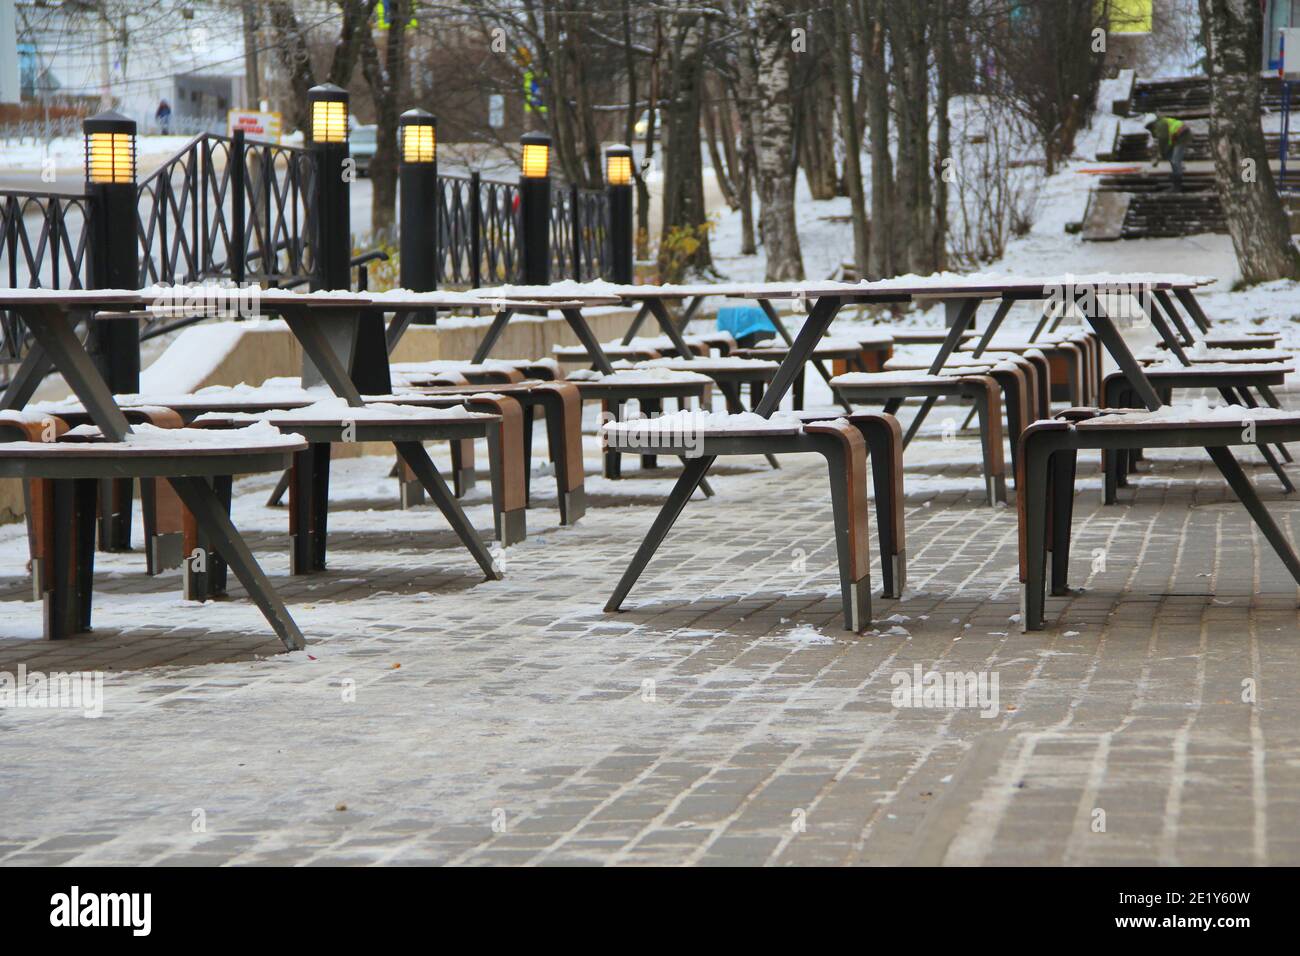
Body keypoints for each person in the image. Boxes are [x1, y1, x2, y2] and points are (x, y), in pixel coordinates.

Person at [1141, 112, 1191, 192]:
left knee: (1175, 161)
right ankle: (1177, 172)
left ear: (1152, 124)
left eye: (1149, 128)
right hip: (1177, 136)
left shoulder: (1160, 125)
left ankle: (1177, 185)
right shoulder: (1160, 124)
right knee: (1170, 156)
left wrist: (1160, 154)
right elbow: (1166, 141)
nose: (1150, 130)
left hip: (1182, 135)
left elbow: (1163, 140)